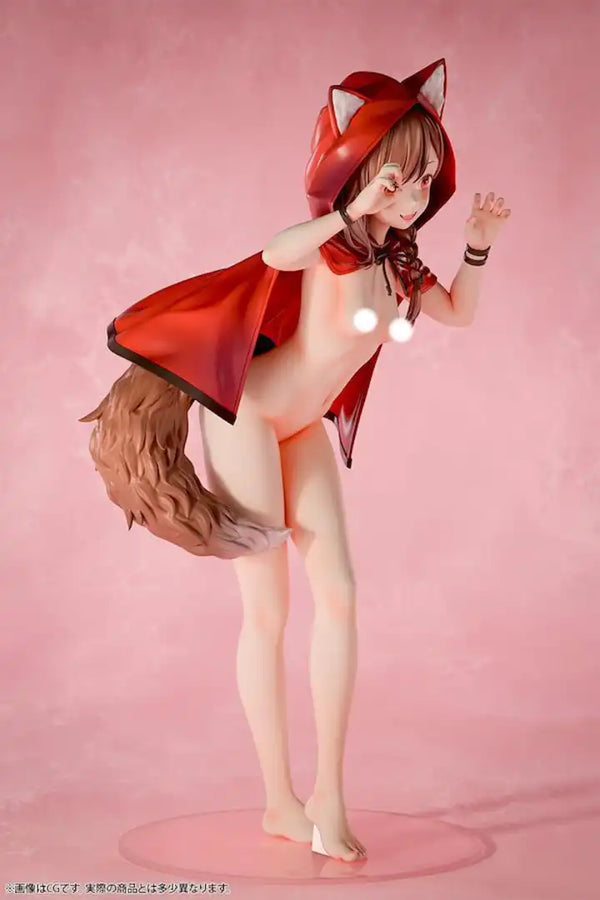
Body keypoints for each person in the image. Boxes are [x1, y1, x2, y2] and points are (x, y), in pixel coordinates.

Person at [79, 58, 511, 862]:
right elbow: (278, 254)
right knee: (269, 611)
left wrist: (477, 250)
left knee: (340, 593)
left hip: (301, 425)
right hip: (246, 415)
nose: (411, 196)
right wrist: (350, 210)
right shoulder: (333, 246)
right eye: (394, 178)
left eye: (423, 180)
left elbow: (456, 314)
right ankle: (280, 800)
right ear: (353, 171)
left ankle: (329, 794)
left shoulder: (401, 262)